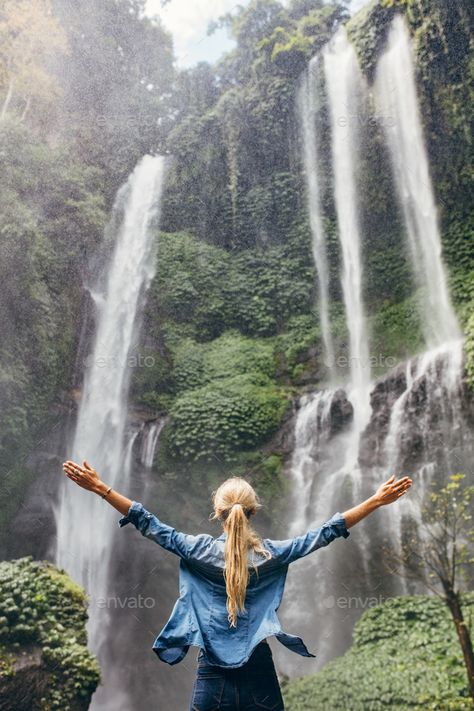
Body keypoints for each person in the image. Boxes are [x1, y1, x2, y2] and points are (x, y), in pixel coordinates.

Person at [62, 459, 412, 711]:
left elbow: (148, 523)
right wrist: (376, 500)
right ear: (253, 512)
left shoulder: (196, 549)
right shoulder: (273, 555)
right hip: (260, 673)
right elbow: (325, 533)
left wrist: (100, 488)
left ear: (218, 512)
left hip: (212, 675)